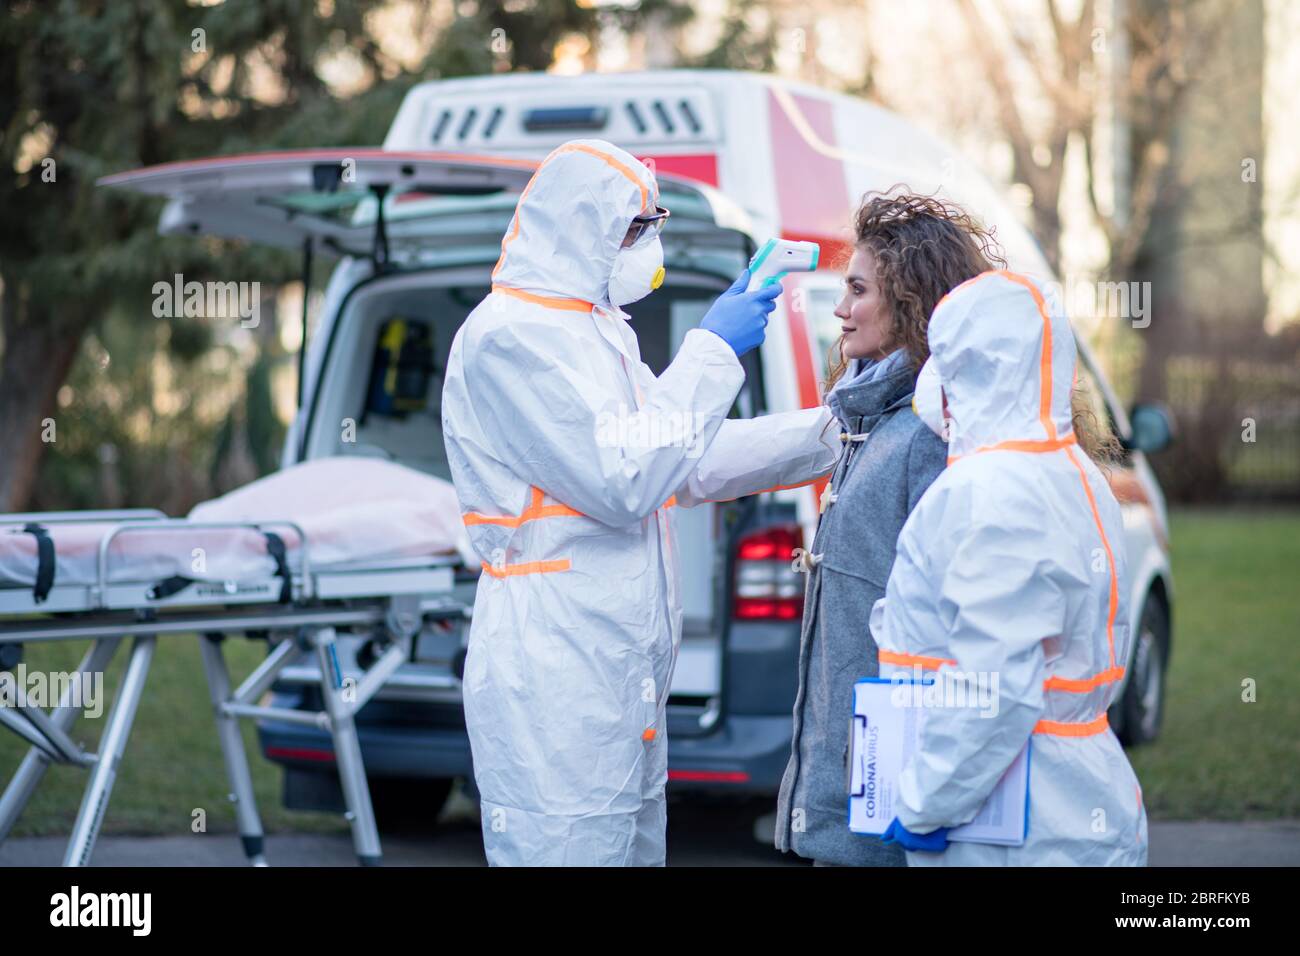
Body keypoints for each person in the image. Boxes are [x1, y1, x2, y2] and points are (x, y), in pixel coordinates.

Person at [441, 139, 838, 866]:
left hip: (616, 672)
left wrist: (831, 432)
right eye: (636, 228)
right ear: (577, 228)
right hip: (556, 671)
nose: (650, 244)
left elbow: (685, 460)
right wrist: (713, 351)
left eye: (653, 224)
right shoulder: (509, 338)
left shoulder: (596, 331)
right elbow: (625, 478)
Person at [873, 269, 1149, 866]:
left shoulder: (987, 490)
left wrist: (925, 802)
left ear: (968, 369)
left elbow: (992, 684)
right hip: (1071, 801)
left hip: (1007, 819)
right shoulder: (1076, 476)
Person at [774, 192, 1003, 867]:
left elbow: (960, 622)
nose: (840, 309)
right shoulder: (871, 424)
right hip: (851, 791)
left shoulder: (925, 436)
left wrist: (926, 786)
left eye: (857, 289)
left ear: (911, 300)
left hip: (894, 796)